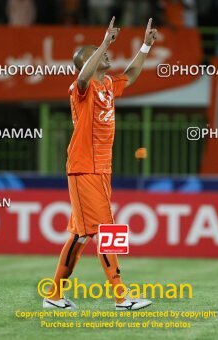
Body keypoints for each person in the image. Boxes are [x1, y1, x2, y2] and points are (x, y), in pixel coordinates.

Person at [43, 17, 158, 310]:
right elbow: (82, 77)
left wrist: (146, 44)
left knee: (80, 235)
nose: (105, 53)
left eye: (103, 50)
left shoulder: (107, 84)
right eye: (96, 52)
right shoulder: (80, 90)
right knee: (108, 229)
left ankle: (54, 295)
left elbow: (131, 75)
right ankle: (122, 297)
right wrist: (105, 41)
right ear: (86, 63)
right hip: (84, 168)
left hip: (101, 169)